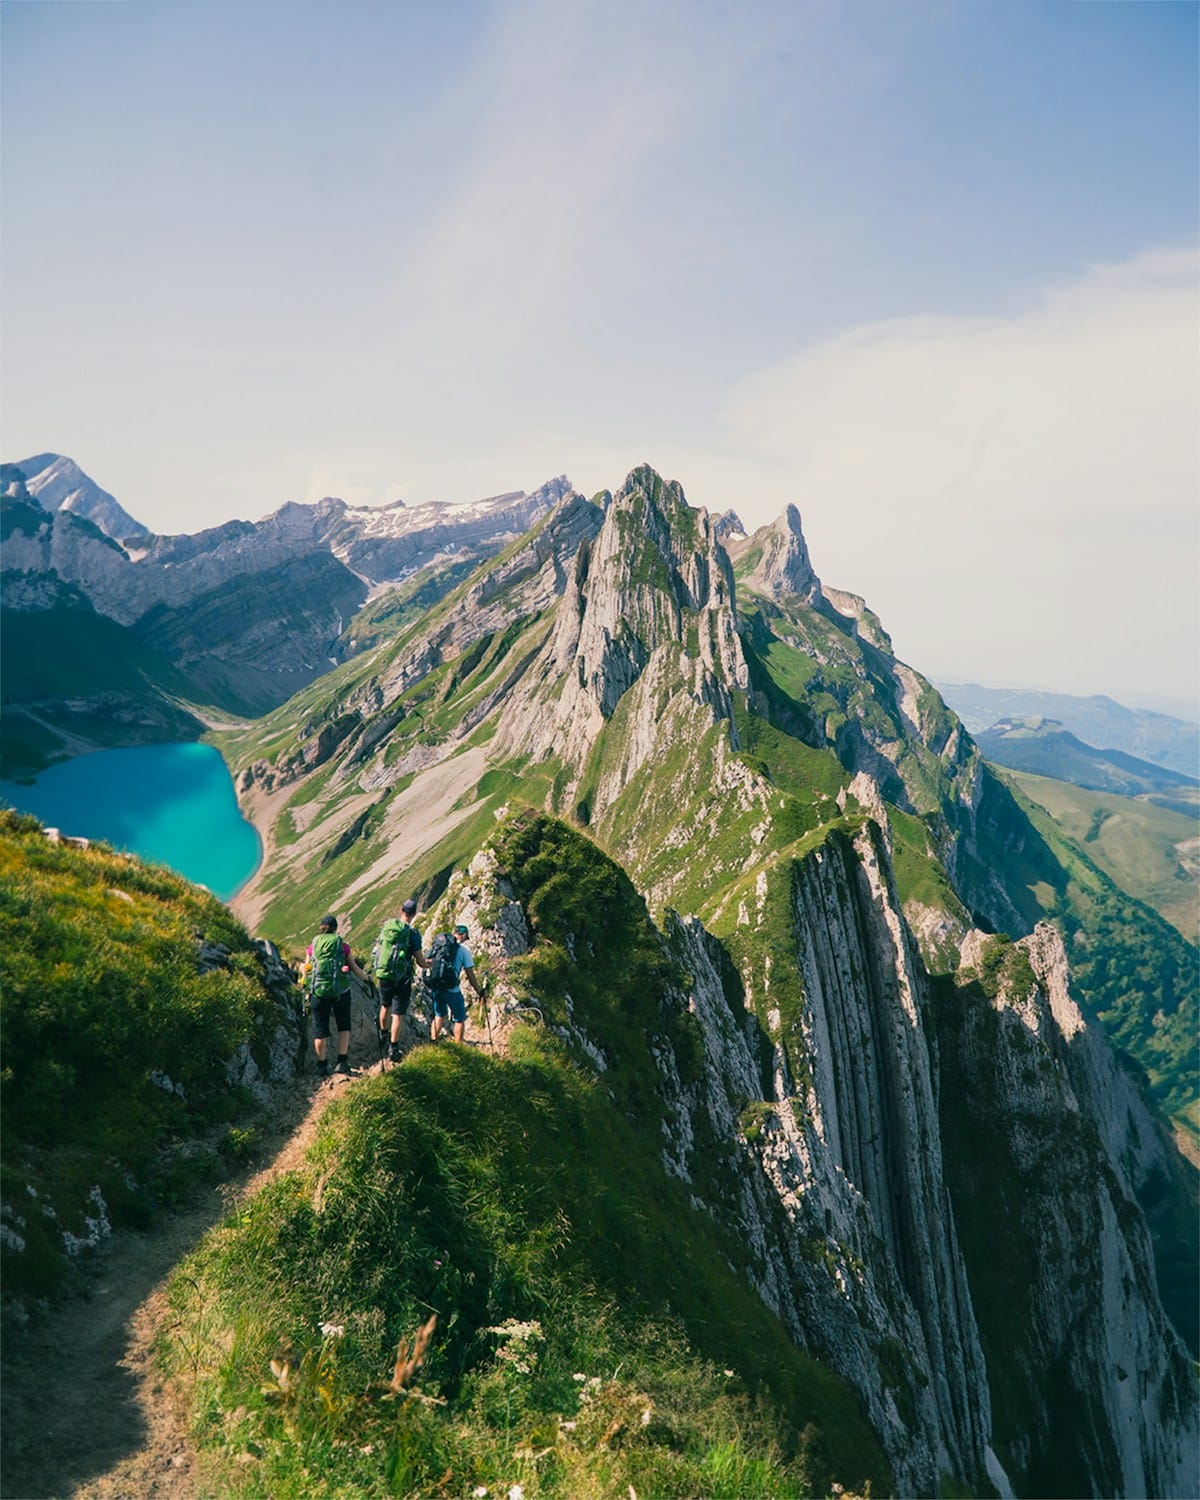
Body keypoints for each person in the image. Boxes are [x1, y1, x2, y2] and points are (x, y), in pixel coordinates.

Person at [304, 913, 368, 1077]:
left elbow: (307, 968)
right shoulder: (342, 946)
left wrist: (305, 985)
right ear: (335, 928)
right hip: (340, 991)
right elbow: (354, 968)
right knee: (344, 1025)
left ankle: (322, 1065)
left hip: (318, 991)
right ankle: (342, 1061)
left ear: (321, 928)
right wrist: (367, 978)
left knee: (320, 1029)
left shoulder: (313, 945)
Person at [374, 898, 429, 1063]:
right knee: (397, 1014)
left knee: (385, 1005)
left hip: (384, 974)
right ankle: (393, 1047)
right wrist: (429, 964)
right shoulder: (412, 934)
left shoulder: (387, 928)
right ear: (414, 914)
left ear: (401, 910)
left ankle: (383, 1033)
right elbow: (420, 961)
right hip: (402, 978)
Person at [429, 922, 486, 1044]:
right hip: (452, 990)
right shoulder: (464, 951)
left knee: (439, 1015)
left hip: (437, 986)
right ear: (463, 935)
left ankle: (433, 1043)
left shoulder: (440, 944)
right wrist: (479, 991)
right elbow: (470, 975)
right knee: (459, 1018)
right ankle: (458, 1045)